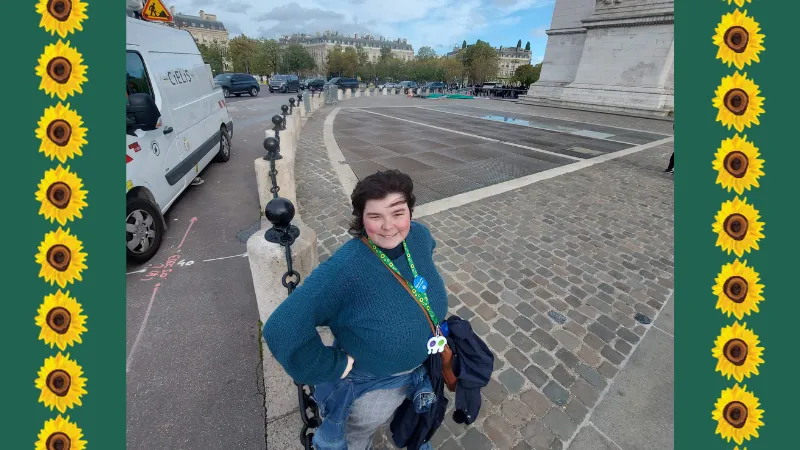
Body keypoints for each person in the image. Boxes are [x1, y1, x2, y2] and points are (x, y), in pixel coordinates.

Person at [262, 169, 448, 450]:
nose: (388, 226)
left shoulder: (419, 237)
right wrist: (330, 365)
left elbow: (424, 256)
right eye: (375, 216)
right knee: (357, 438)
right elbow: (282, 328)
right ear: (361, 219)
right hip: (373, 387)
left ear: (410, 211)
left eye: (398, 213)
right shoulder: (346, 267)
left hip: (422, 369)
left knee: (413, 423)